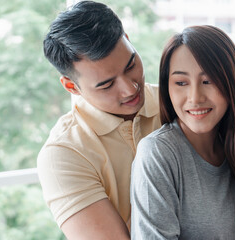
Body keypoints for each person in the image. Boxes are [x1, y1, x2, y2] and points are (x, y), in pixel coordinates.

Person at [130, 25, 235, 239]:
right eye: (181, 82)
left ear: (231, 84)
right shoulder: (157, 153)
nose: (195, 97)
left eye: (208, 81)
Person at [37, 1, 161, 239]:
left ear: (127, 38)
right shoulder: (64, 154)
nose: (130, 88)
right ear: (72, 87)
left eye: (131, 65)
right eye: (107, 84)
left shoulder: (181, 104)